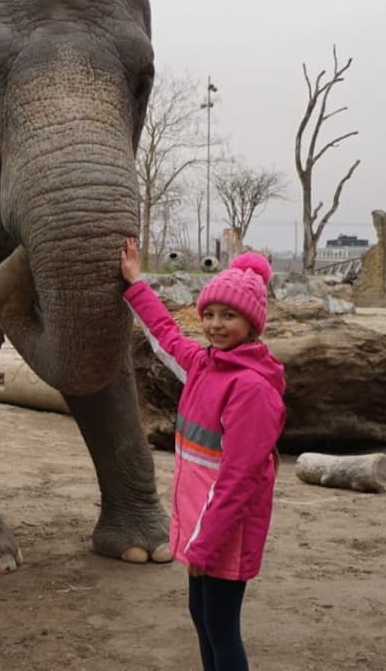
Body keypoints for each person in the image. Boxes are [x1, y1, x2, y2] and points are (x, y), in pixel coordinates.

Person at [120, 238, 286, 671]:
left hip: (225, 533)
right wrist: (135, 283)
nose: (215, 325)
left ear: (253, 324)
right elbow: (165, 334)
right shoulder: (203, 365)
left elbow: (237, 481)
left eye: (228, 316)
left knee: (221, 627)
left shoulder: (251, 390)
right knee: (202, 617)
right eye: (209, 314)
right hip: (203, 529)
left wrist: (204, 548)